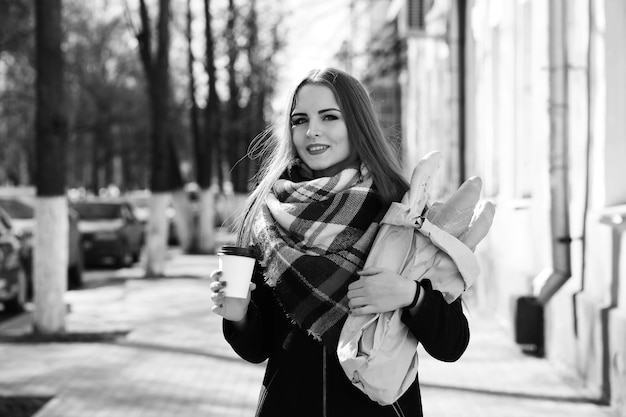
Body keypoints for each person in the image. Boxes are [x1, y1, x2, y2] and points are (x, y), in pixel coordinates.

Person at [210, 68, 469, 417]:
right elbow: (259, 347)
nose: (311, 130)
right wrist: (238, 316)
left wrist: (412, 296)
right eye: (299, 120)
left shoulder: (401, 210)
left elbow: (452, 342)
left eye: (329, 117)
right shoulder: (268, 216)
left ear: (356, 124)